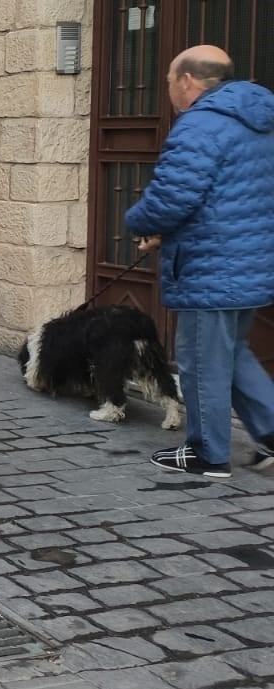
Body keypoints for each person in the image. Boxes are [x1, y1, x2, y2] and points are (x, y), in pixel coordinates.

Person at [125, 45, 274, 478]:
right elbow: (223, 198)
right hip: (253, 261)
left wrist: (140, 222)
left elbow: (173, 198)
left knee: (201, 360)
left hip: (213, 267)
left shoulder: (201, 125)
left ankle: (207, 454)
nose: (169, 90)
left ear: (187, 80)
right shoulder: (261, 121)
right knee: (233, 354)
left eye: (169, 81)